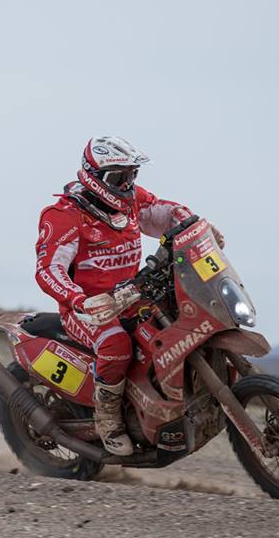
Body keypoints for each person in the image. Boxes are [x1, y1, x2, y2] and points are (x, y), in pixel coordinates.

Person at [34, 136, 224, 455]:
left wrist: (198, 227)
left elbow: (167, 214)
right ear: (93, 176)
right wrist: (80, 300)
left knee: (180, 319)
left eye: (131, 174)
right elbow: (47, 269)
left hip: (132, 295)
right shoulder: (65, 215)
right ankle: (108, 418)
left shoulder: (134, 200)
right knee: (116, 344)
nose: (126, 184)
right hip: (88, 308)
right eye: (118, 177)